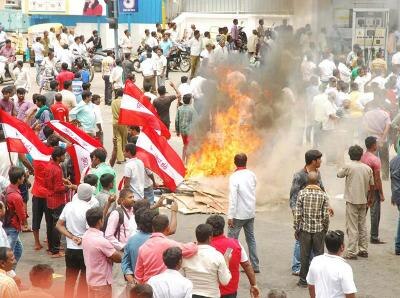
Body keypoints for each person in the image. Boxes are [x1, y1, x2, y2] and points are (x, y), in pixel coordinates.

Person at [289, 150, 327, 275]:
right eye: (319, 159)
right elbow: (293, 197)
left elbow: (322, 189)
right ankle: (297, 266)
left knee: (310, 241)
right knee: (300, 240)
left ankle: (309, 265)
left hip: (314, 213)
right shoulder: (299, 175)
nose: (321, 161)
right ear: (313, 161)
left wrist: (328, 205)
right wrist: (297, 216)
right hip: (302, 216)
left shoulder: (317, 173)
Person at [56, 183, 95, 298]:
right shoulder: (89, 209)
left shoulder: (69, 206)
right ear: (89, 196)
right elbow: (91, 231)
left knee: (70, 281)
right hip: (84, 250)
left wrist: (72, 236)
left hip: (71, 249)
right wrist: (82, 238)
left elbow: (59, 225)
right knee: (84, 281)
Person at [205, 215, 259, 298]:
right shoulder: (236, 244)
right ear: (223, 228)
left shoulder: (203, 247)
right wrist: (254, 284)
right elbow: (247, 265)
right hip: (230, 291)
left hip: (209, 291)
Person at [135, 214, 198, 283]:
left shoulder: (142, 248)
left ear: (152, 228)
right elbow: (191, 249)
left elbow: (138, 276)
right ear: (168, 228)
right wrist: (194, 244)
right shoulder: (170, 244)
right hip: (166, 286)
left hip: (149, 289)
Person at [338, 145, 374, 259]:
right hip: (363, 200)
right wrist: (370, 198)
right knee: (362, 225)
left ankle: (352, 252)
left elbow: (339, 174)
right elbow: (372, 185)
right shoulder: (367, 168)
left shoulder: (348, 166)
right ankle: (363, 249)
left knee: (352, 227)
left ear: (349, 155)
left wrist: (340, 162)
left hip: (352, 201)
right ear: (361, 155)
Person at [294, 171, 329, 287]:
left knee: (304, 256)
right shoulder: (323, 195)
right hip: (319, 230)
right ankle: (318, 280)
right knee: (319, 256)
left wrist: (296, 228)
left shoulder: (302, 193)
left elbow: (298, 213)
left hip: (305, 230)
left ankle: (303, 280)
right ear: (318, 181)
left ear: (308, 181)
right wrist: (325, 228)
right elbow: (326, 215)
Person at [227, 153, 260, 273]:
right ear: (246, 162)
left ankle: (228, 265)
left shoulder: (234, 177)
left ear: (235, 163)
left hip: (238, 214)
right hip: (250, 212)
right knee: (250, 239)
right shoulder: (252, 174)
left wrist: (230, 216)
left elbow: (233, 198)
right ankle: (255, 266)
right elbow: (254, 187)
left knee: (231, 240)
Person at [182, 224, 231, 297]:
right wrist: (227, 263)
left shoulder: (186, 255)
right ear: (210, 238)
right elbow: (225, 281)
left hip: (190, 294)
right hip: (211, 295)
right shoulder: (217, 256)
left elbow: (182, 277)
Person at [82, 207, 122, 297]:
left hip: (91, 280)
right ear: (100, 221)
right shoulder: (101, 241)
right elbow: (118, 258)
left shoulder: (85, 236)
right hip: (102, 283)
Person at [46, 147, 77, 258]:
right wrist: (69, 187)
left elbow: (52, 181)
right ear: (58, 157)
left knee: (50, 225)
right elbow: (58, 188)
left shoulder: (49, 165)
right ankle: (55, 250)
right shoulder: (57, 169)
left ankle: (51, 248)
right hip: (57, 200)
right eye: (63, 155)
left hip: (49, 198)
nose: (65, 157)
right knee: (57, 226)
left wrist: (63, 180)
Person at [307, 230, 357, 298]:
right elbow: (350, 293)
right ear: (342, 247)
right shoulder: (344, 267)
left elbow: (311, 286)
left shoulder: (316, 261)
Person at [122, 208, 157, 284]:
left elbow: (125, 263)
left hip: (138, 284)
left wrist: (132, 280)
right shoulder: (159, 240)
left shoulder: (131, 240)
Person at [361, 136, 386, 244]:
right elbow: (377, 178)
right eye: (376, 143)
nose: (377, 145)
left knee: (362, 212)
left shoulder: (362, 157)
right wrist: (381, 193)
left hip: (362, 188)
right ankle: (374, 237)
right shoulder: (375, 159)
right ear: (373, 145)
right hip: (373, 189)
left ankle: (359, 235)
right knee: (375, 213)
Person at [2, 166, 27, 268]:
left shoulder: (8, 189)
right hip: (12, 227)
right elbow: (21, 214)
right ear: (18, 179)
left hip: (8, 224)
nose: (24, 178)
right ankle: (9, 274)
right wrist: (25, 223)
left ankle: (12, 272)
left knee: (18, 249)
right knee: (9, 256)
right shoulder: (16, 196)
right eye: (23, 177)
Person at [175, 94, 198, 163]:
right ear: (190, 100)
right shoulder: (192, 109)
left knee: (185, 145)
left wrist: (177, 131)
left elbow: (176, 120)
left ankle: (182, 160)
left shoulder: (179, 108)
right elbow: (195, 121)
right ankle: (187, 162)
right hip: (190, 132)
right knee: (189, 146)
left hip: (182, 131)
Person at [111, 88, 128, 163]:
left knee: (118, 139)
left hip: (115, 122)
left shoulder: (113, 102)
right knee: (124, 140)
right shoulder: (124, 102)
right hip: (123, 122)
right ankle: (123, 156)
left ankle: (119, 158)